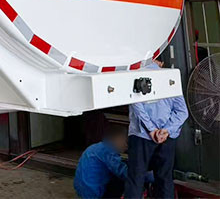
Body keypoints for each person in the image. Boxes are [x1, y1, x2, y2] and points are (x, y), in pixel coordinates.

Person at [125, 60, 189, 199]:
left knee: (136, 179)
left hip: (141, 136)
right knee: (165, 179)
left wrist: (152, 130)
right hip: (167, 137)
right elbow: (183, 112)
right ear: (159, 62)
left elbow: (137, 106)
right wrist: (166, 130)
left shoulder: (134, 76)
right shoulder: (169, 77)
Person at [74, 126, 131, 198]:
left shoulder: (96, 147)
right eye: (125, 141)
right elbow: (122, 172)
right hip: (93, 193)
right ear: (117, 139)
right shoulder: (107, 150)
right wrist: (142, 176)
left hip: (82, 190)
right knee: (121, 179)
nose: (126, 145)